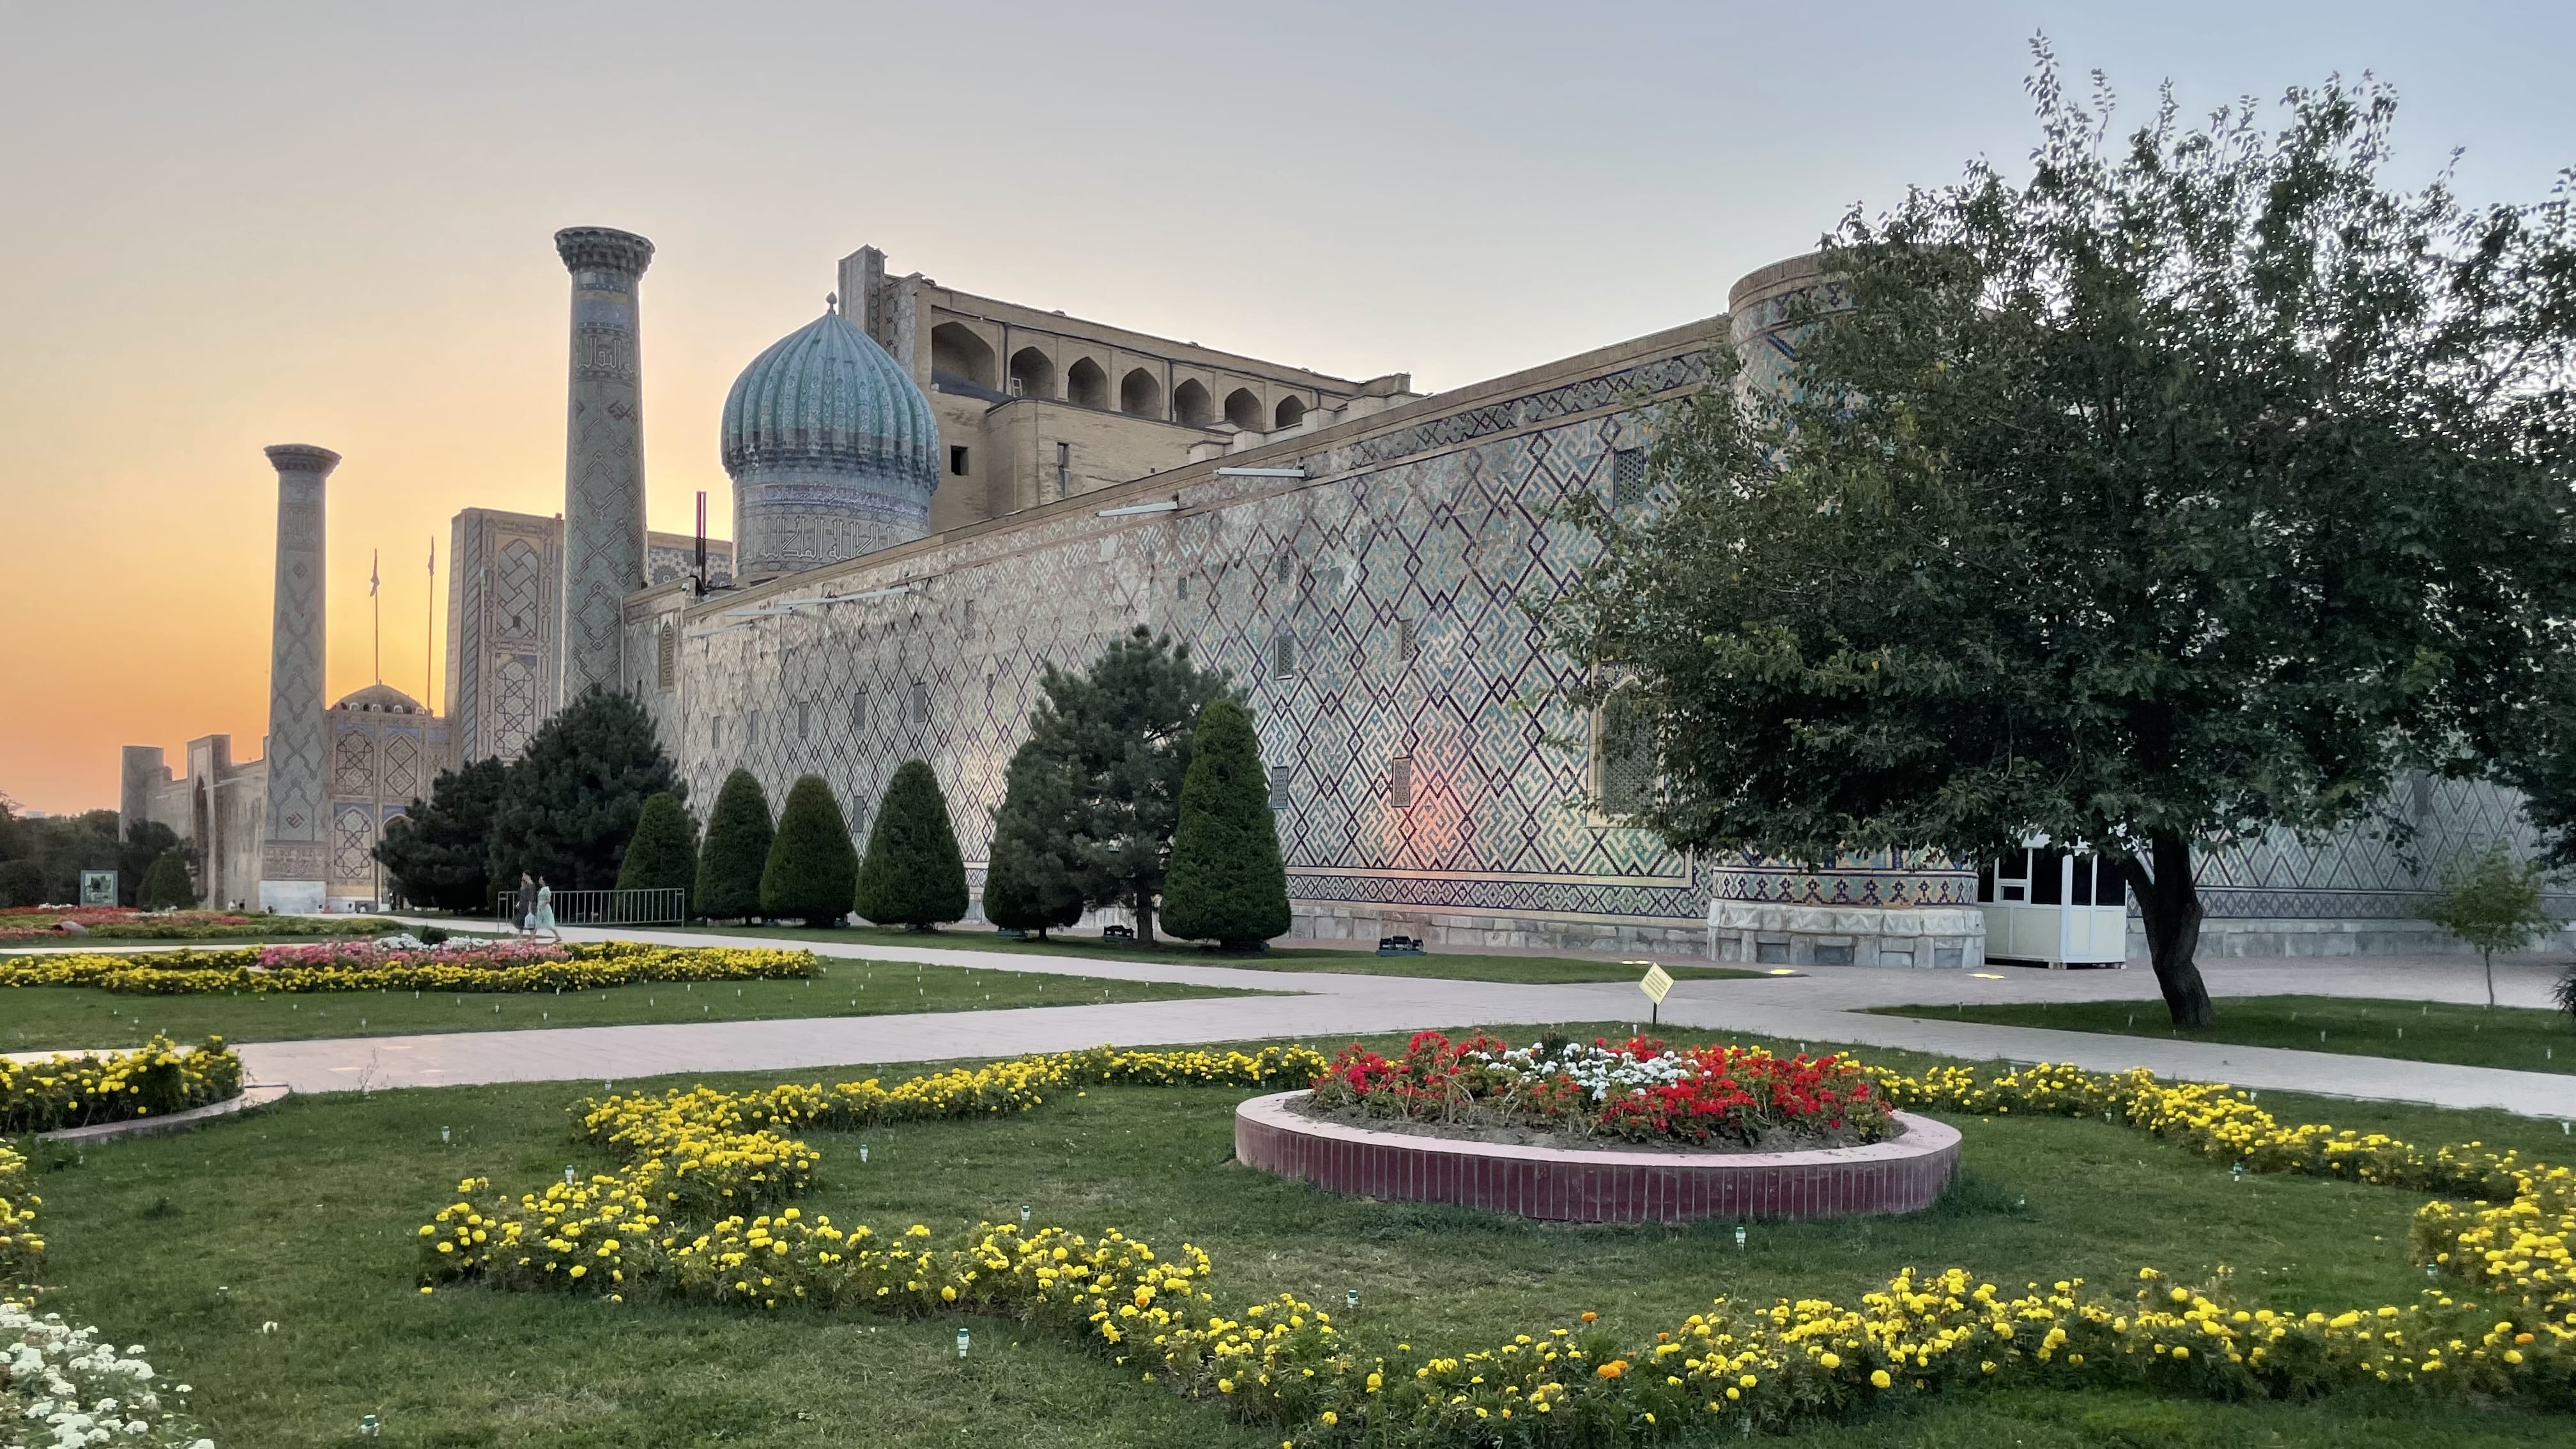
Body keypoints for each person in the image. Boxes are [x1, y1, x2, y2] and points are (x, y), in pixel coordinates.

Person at [533, 876, 559, 942]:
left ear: (544, 881)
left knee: (548, 923)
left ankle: (558, 936)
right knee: (537, 922)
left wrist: (542, 906)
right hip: (541, 908)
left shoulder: (545, 889)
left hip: (544, 909)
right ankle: (532, 937)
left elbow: (548, 900)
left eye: (540, 879)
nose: (539, 880)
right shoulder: (543, 889)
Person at [515, 871, 537, 935]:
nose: (523, 876)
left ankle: (532, 938)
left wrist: (530, 907)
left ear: (528, 876)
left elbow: (531, 897)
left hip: (528, 906)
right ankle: (520, 936)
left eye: (524, 875)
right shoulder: (528, 885)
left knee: (530, 922)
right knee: (521, 921)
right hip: (524, 906)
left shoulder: (531, 885)